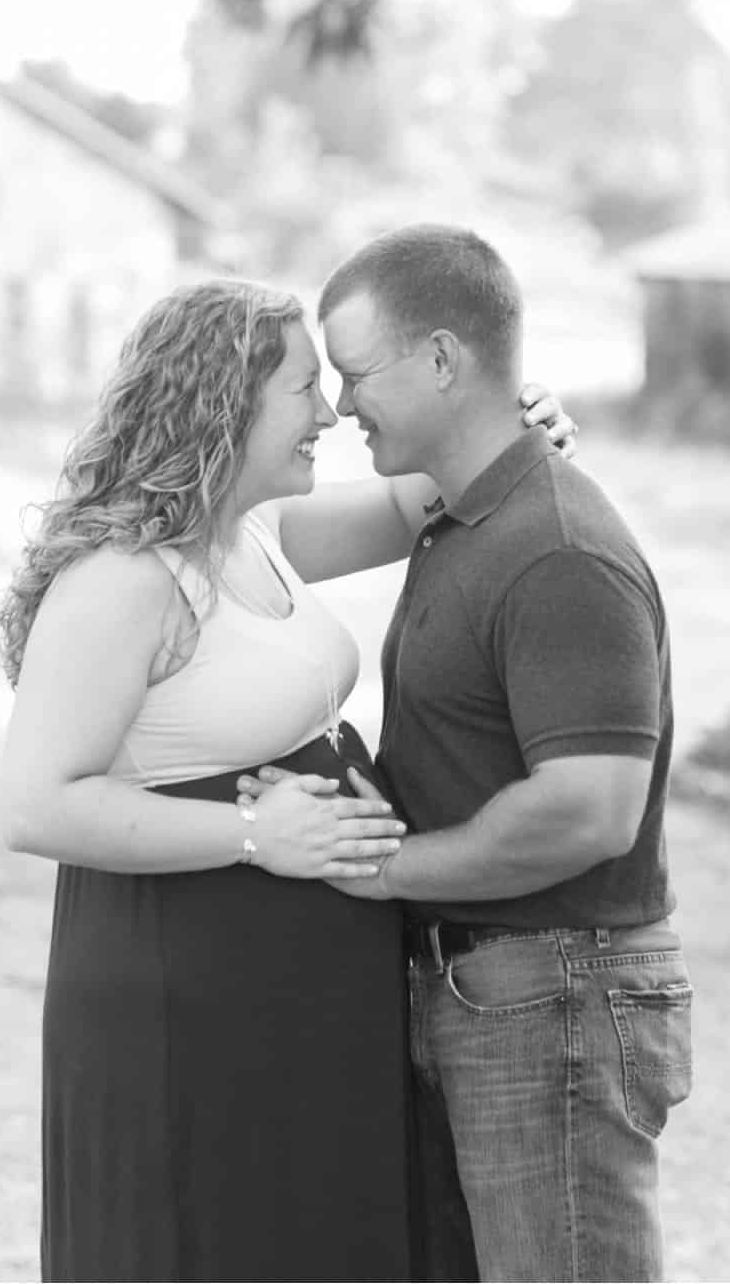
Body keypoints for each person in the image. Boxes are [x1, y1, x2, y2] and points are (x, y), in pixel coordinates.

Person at [0, 275, 573, 1284]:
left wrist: (512, 431)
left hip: (298, 979)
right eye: (305, 388)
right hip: (188, 983)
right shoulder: (125, 577)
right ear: (224, 401)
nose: (330, 412)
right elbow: (37, 801)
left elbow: (413, 499)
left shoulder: (254, 532)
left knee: (310, 1236)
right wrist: (258, 833)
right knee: (209, 1238)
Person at [251, 225, 691, 1284]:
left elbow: (590, 809)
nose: (342, 405)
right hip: (502, 989)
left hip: (556, 992)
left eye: (356, 374)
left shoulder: (558, 548)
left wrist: (383, 868)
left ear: (443, 359)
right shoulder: (466, 515)